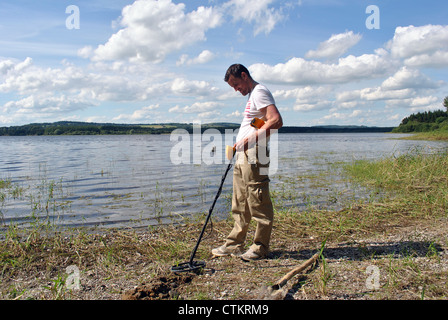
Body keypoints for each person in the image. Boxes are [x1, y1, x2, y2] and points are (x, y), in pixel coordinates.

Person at [212, 64, 283, 261]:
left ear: (244, 75)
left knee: (257, 199)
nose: (236, 90)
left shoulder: (260, 91)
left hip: (255, 153)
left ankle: (260, 247)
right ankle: (234, 243)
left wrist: (250, 140)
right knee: (240, 200)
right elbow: (264, 122)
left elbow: (276, 121)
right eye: (232, 87)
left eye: (236, 84)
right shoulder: (253, 95)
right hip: (244, 154)